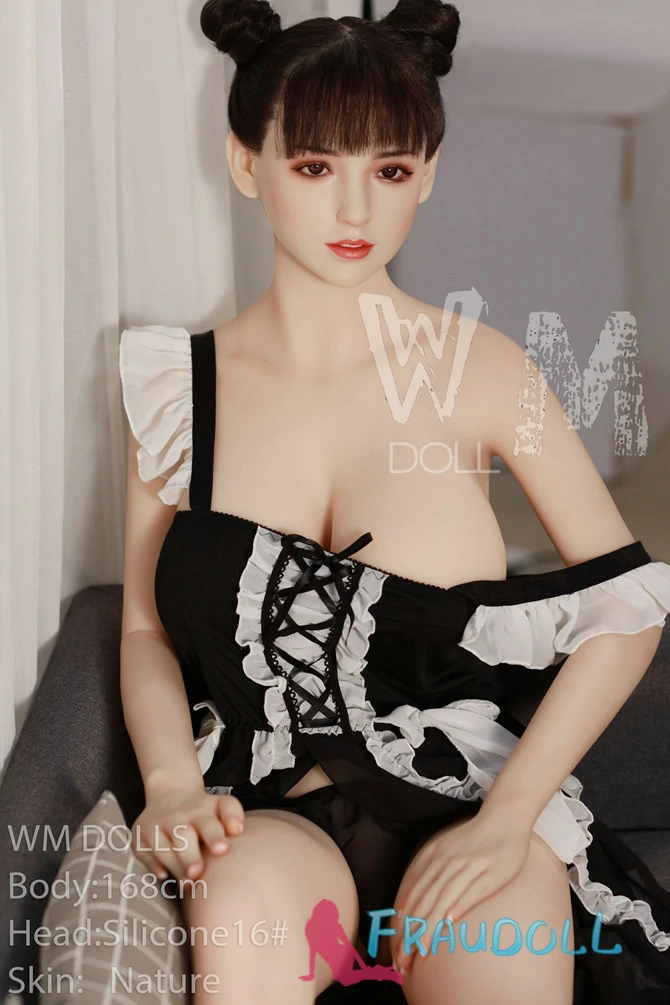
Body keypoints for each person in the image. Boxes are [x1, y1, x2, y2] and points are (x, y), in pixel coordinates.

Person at [118, 0, 670, 1001]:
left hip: (468, 809)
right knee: (236, 907)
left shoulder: (486, 371)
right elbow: (144, 628)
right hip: (268, 813)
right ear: (245, 164)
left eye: (391, 171)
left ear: (429, 174)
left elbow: (628, 605)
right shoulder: (175, 389)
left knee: (497, 927)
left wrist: (512, 816)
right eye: (313, 167)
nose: (355, 212)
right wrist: (168, 784)